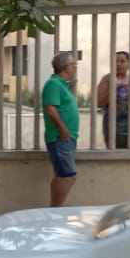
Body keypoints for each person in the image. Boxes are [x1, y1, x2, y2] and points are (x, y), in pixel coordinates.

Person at [42, 51, 80, 207]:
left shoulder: (61, 85)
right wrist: (63, 129)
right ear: (66, 66)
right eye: (74, 65)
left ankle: (54, 208)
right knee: (68, 176)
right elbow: (51, 109)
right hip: (60, 137)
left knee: (61, 175)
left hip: (66, 138)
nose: (75, 68)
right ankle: (55, 209)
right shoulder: (53, 84)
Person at [96, 51, 130, 149]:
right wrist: (113, 88)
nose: (118, 64)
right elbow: (99, 103)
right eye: (116, 61)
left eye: (122, 61)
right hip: (115, 129)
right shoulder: (107, 79)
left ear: (129, 64)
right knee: (116, 157)